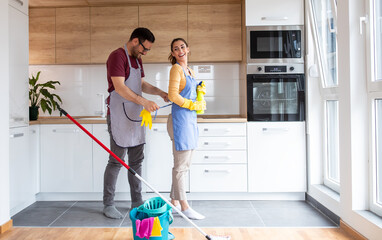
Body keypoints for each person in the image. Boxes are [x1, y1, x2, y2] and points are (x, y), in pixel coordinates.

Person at [104, 27, 169, 219]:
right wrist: (145, 102)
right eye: (144, 49)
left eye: (147, 50)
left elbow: (141, 84)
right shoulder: (117, 56)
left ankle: (136, 201)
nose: (145, 53)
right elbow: (120, 88)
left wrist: (160, 93)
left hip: (135, 116)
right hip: (118, 116)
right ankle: (108, 204)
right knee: (116, 161)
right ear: (135, 41)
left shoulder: (137, 59)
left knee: (136, 161)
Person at [167, 38, 206, 220]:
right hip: (180, 121)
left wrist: (200, 93)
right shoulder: (176, 69)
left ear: (188, 49)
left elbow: (188, 93)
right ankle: (185, 206)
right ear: (173, 54)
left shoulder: (190, 71)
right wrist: (192, 104)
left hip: (189, 121)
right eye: (176, 49)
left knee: (184, 165)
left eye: (182, 47)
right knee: (181, 167)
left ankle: (173, 202)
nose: (180, 50)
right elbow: (173, 95)